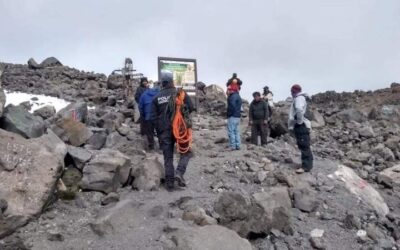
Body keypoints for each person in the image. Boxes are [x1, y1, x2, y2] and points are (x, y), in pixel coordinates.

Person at [151, 70, 194, 191]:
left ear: (162, 83)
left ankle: (169, 184)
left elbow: (153, 118)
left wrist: (157, 131)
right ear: (172, 81)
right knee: (186, 152)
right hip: (180, 129)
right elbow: (190, 107)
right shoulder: (180, 93)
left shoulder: (156, 98)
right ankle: (179, 173)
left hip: (163, 130)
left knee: (168, 157)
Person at [288, 84, 313, 174]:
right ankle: (308, 165)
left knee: (304, 145)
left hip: (301, 125)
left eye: (292, 91)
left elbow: (299, 110)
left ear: (294, 91)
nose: (291, 93)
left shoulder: (299, 98)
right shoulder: (301, 98)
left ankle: (305, 166)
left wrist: (299, 122)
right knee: (304, 145)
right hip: (302, 125)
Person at [139, 84, 160, 150]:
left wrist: (143, 115)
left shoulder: (144, 94)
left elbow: (140, 107)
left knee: (149, 132)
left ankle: (151, 146)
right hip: (158, 117)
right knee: (159, 131)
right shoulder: (160, 94)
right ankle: (161, 147)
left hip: (148, 117)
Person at [227, 85, 242, 150]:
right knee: (237, 131)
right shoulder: (238, 96)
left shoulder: (232, 97)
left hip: (232, 116)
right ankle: (238, 145)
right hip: (238, 116)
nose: (228, 91)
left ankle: (232, 146)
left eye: (230, 90)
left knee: (231, 131)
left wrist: (229, 114)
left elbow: (232, 106)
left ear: (233, 90)